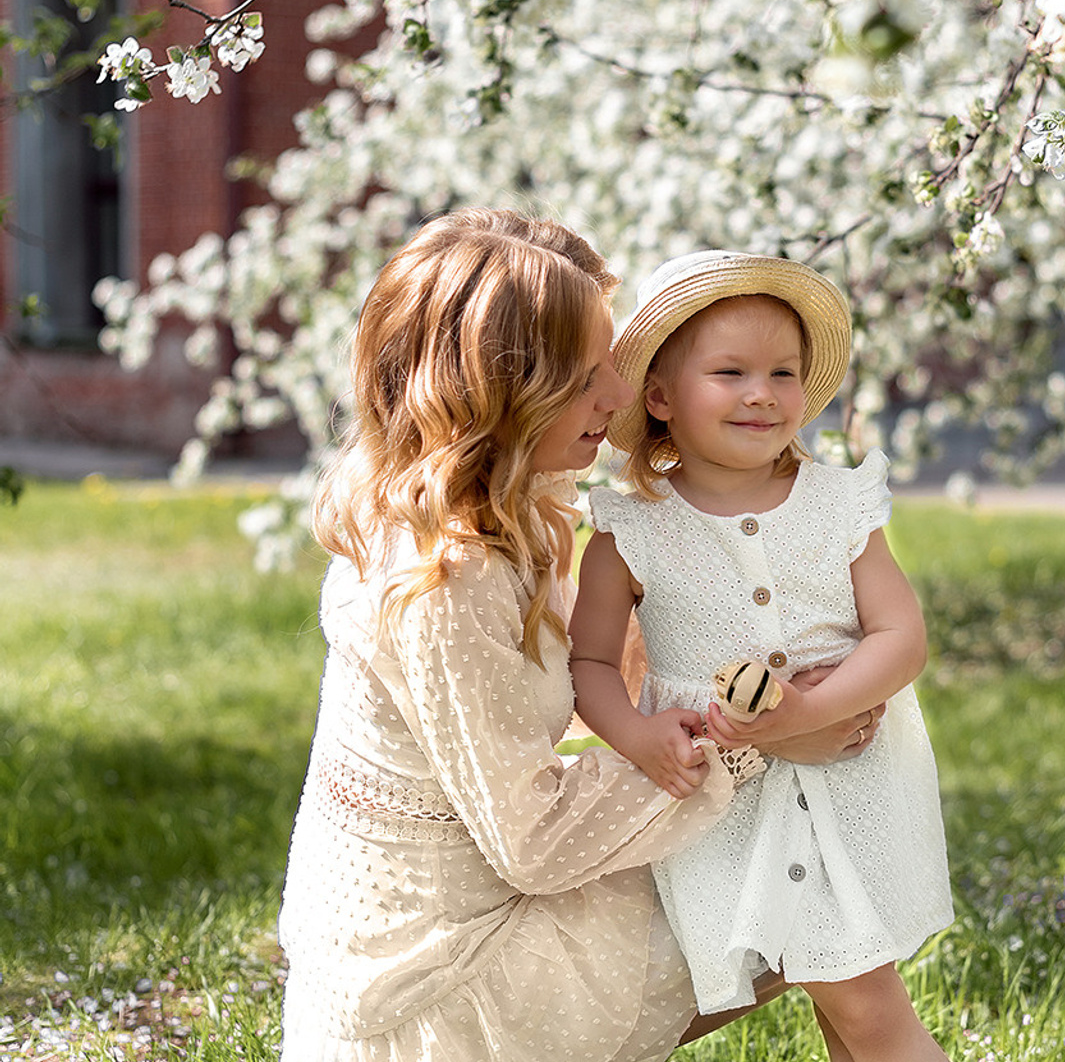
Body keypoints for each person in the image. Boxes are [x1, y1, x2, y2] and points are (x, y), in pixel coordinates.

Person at [276, 209, 882, 1062]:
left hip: (452, 935)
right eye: (589, 371)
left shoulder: (506, 513)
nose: (623, 394)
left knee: (795, 863)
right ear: (501, 387)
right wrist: (763, 747)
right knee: (799, 881)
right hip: (442, 994)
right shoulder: (447, 578)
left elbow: (598, 684)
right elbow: (533, 841)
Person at [569, 250, 954, 1062]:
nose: (761, 392)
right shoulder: (630, 528)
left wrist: (810, 711)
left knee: (864, 1006)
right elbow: (591, 664)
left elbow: (899, 635)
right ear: (662, 397)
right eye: (731, 372)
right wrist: (636, 737)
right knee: (849, 1004)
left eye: (783, 373)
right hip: (724, 802)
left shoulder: (837, 502)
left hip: (851, 781)